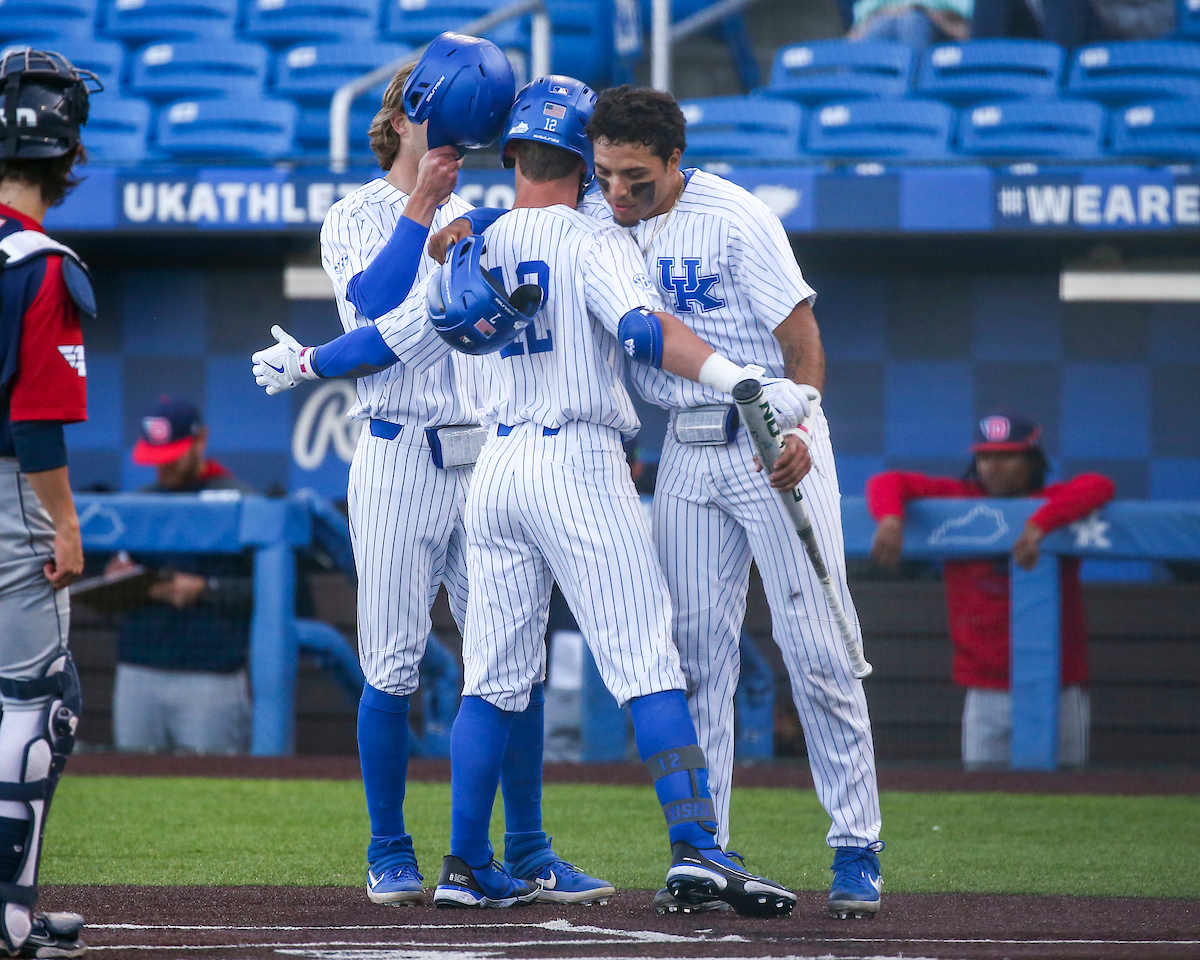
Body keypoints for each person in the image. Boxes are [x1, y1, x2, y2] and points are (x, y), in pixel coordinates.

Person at [427, 84, 885, 920]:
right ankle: (704, 850)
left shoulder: (735, 216)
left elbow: (801, 338)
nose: (619, 192)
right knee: (684, 657)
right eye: (603, 174)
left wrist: (798, 420)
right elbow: (603, 286)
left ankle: (855, 846)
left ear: (676, 159)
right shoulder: (595, 219)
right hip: (668, 445)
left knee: (817, 650)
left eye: (635, 177)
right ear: (584, 161)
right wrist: (470, 220)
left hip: (763, 439)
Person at [252, 36, 614, 907]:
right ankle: (389, 850)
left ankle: (526, 850)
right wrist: (420, 205)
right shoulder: (356, 213)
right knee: (392, 662)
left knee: (512, 662)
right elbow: (372, 315)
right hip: (398, 453)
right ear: (408, 112)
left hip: (487, 452)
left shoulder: (485, 213)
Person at [0, 46, 97, 960]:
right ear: (67, 152)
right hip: (8, 500)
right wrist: (66, 526)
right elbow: (35, 426)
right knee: (37, 705)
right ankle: (8, 914)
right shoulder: (38, 263)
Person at [866, 414, 1115, 770]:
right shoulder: (959, 500)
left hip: (1056, 686)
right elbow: (887, 481)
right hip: (984, 686)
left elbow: (1099, 485)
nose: (993, 467)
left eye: (1007, 456)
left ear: (1032, 461)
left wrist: (1039, 524)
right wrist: (890, 518)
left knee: (1065, 789)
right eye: (985, 457)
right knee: (983, 787)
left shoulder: (1053, 501)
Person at [105, 397, 256, 754]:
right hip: (138, 669)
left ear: (200, 441)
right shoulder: (140, 503)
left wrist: (206, 589)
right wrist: (116, 576)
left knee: (213, 785)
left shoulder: (241, 502)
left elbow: (275, 593)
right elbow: (106, 575)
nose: (164, 467)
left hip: (210, 675)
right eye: (157, 458)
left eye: (172, 456)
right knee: (130, 781)